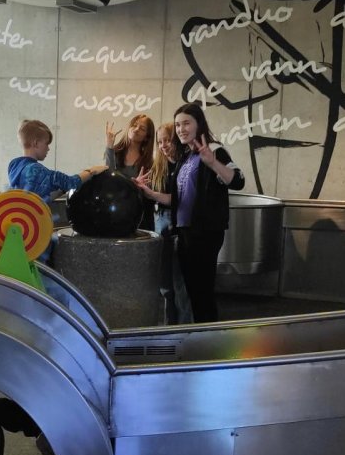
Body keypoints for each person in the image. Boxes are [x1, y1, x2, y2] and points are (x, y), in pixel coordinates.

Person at [135, 103, 245, 323]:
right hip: (185, 233)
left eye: (186, 123)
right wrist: (149, 193)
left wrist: (213, 163)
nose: (181, 129)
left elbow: (238, 181)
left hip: (205, 233)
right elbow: (177, 200)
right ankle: (199, 335)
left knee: (203, 293)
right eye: (177, 125)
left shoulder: (213, 150)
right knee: (193, 293)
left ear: (198, 124)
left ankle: (208, 336)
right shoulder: (186, 157)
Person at [149, 122, 191, 324]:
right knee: (165, 282)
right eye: (159, 142)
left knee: (181, 282)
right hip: (160, 223)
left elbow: (180, 199)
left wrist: (151, 194)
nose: (163, 145)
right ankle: (169, 326)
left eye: (167, 140)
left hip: (180, 224)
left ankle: (185, 327)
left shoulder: (187, 164)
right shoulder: (159, 166)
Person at [8, 119, 106, 201]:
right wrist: (91, 171)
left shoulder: (15, 167)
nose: (48, 148)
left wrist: (62, 190)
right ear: (36, 143)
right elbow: (71, 182)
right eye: (46, 143)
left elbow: (41, 197)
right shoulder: (36, 170)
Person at [103, 114, 156, 230]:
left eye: (142, 129)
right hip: (115, 213)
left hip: (139, 217)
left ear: (147, 137)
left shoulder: (149, 162)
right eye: (134, 125)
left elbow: (149, 194)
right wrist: (109, 146)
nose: (136, 129)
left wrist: (139, 186)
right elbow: (109, 179)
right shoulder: (114, 152)